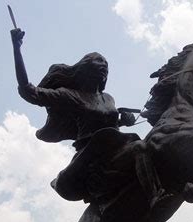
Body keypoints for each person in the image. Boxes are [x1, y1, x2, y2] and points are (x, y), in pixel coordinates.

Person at [10, 28, 165, 206]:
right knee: (139, 147)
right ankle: (155, 196)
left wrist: (124, 121)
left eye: (106, 64)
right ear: (85, 67)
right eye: (98, 62)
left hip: (116, 146)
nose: (104, 66)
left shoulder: (108, 98)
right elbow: (28, 91)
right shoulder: (69, 95)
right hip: (92, 153)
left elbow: (106, 125)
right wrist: (17, 48)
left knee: (152, 147)